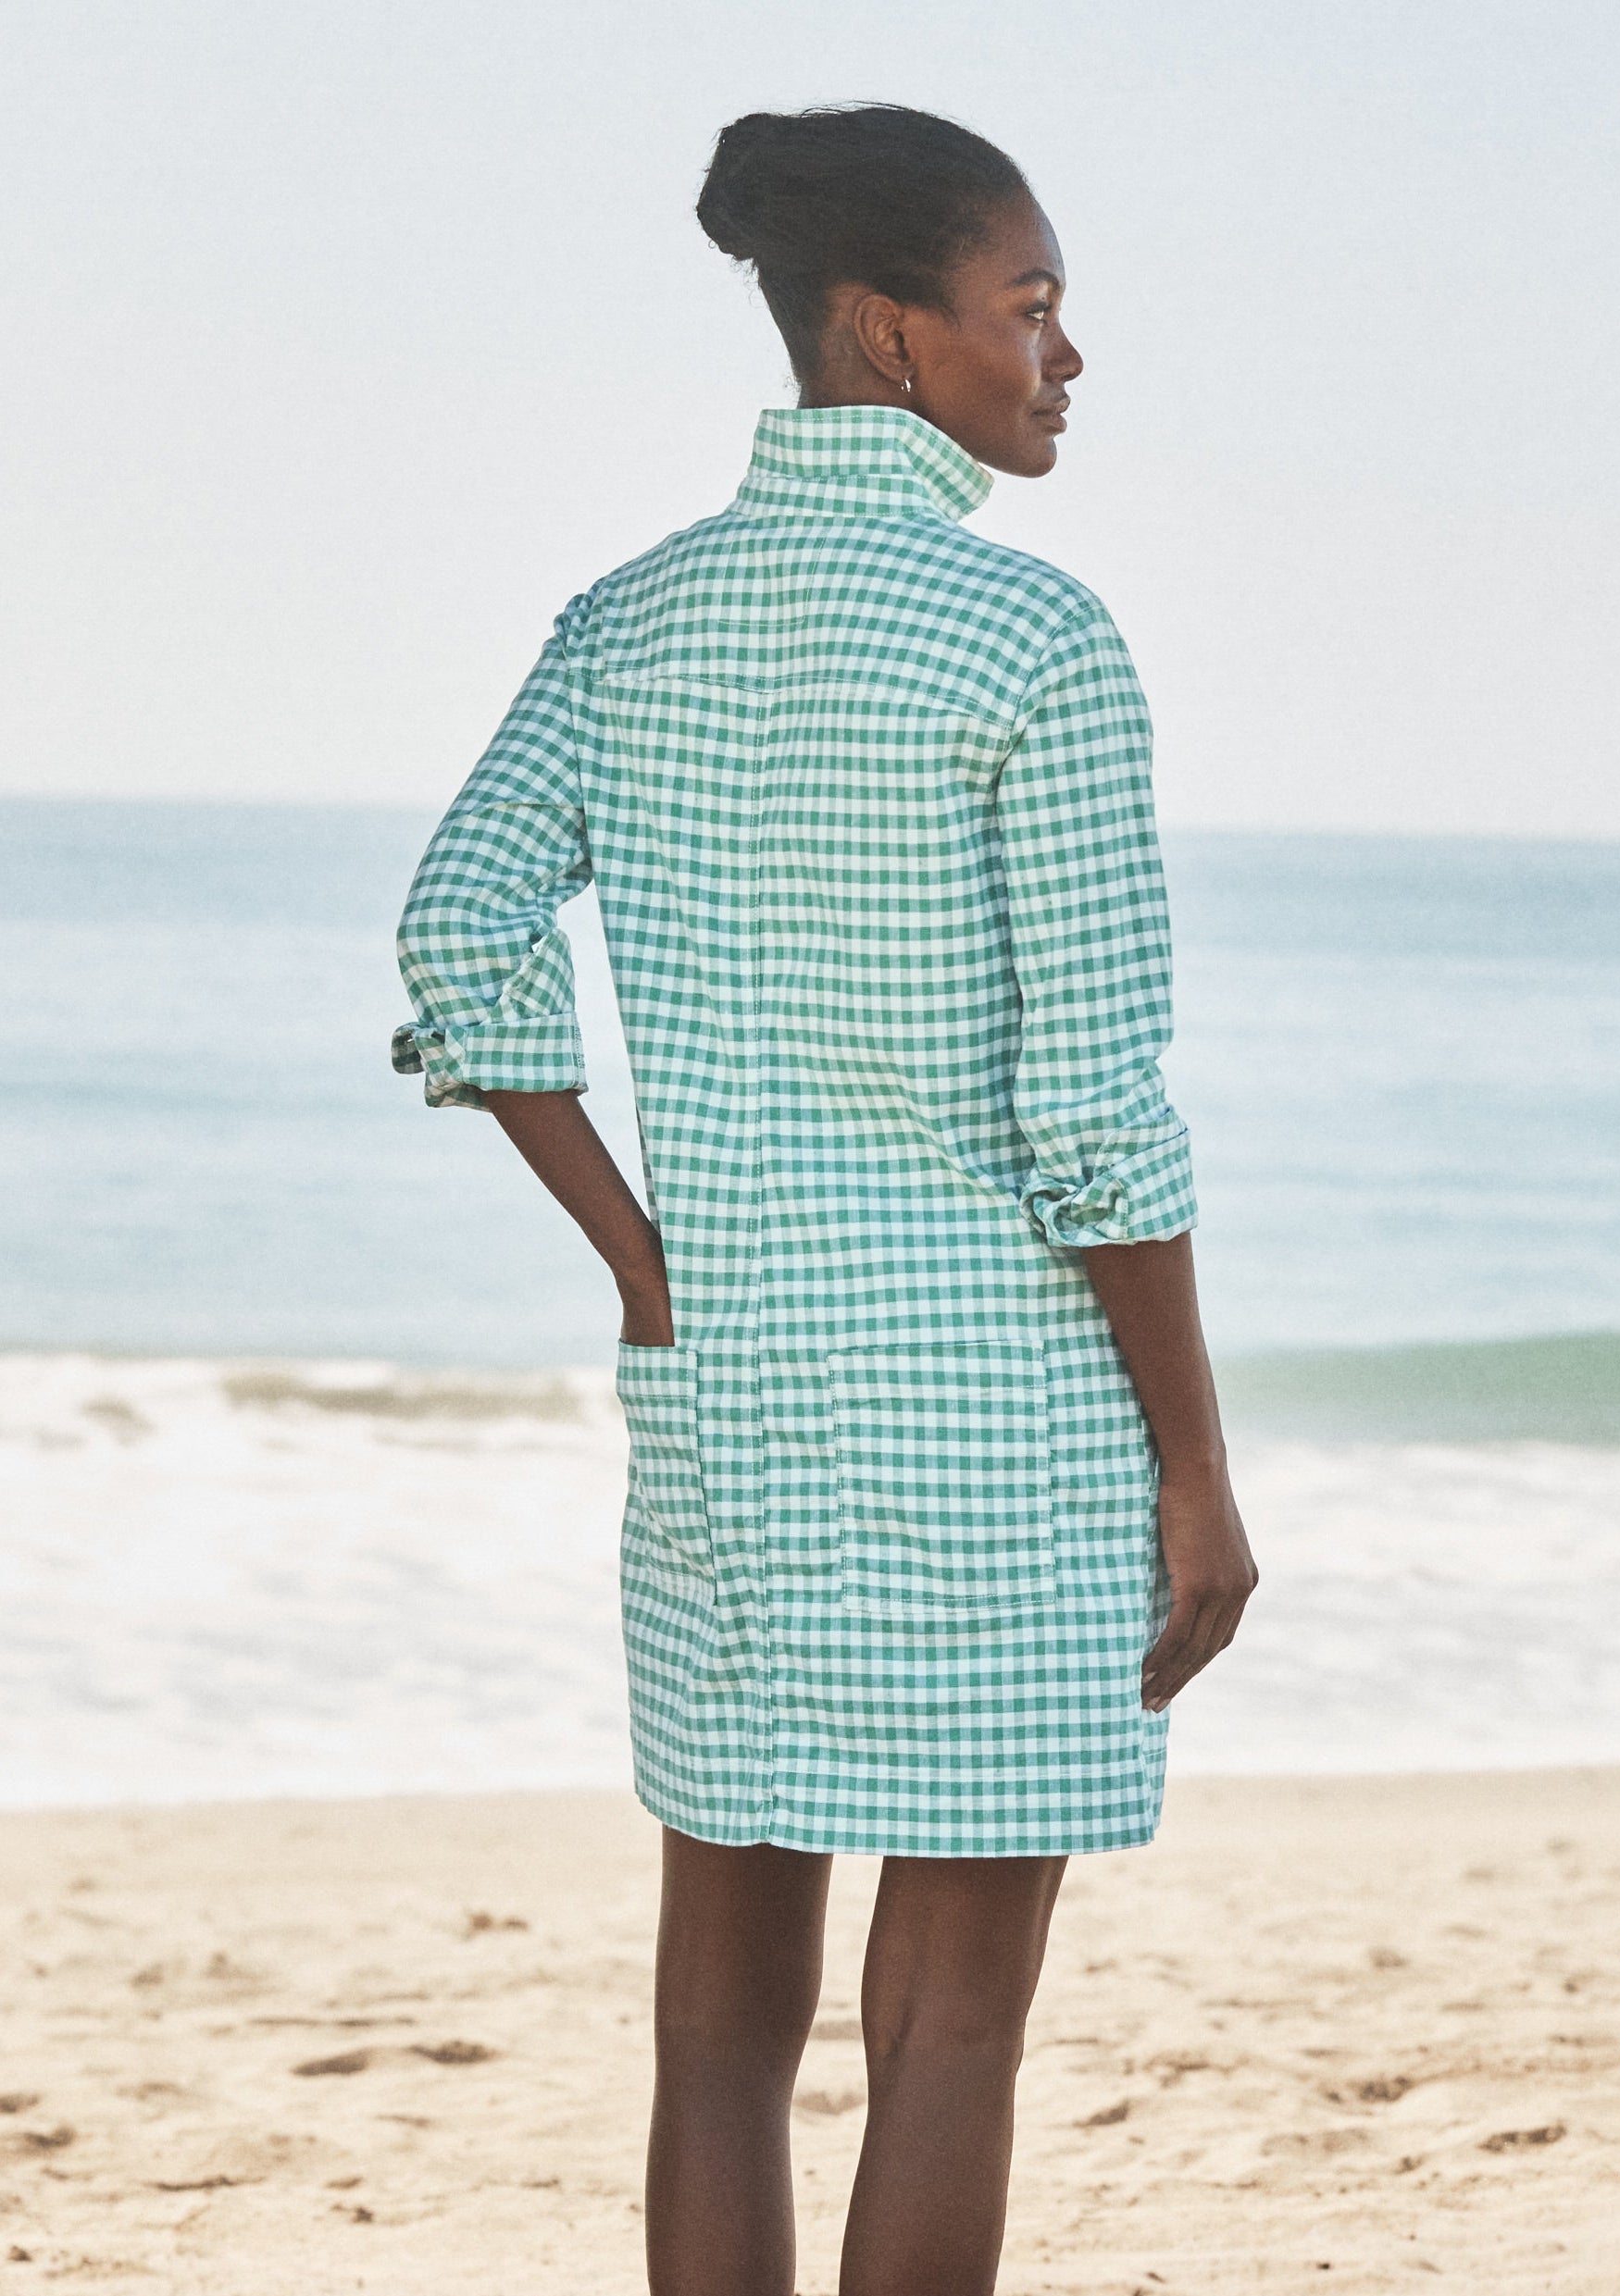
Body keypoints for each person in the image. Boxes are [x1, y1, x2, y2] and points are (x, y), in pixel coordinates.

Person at [393, 101, 1256, 2296]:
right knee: (952, 2028)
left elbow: (457, 933)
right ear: (889, 330)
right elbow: (1094, 1113)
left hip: (729, 1394)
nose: (1067, 354)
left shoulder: (635, 618)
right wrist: (1196, 1460)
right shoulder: (1034, 644)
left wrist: (638, 1250)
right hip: (998, 1416)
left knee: (716, 2013)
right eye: (1030, 304)